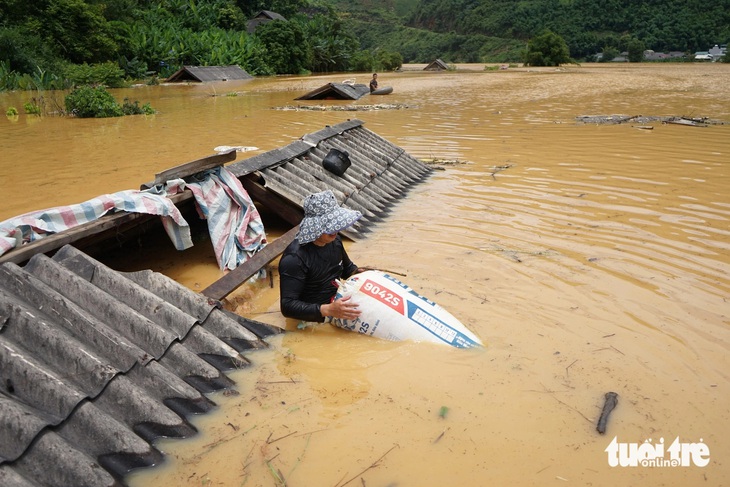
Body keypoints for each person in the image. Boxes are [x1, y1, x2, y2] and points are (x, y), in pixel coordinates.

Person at [279, 190, 364, 323]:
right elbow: (287, 306)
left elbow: (348, 270)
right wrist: (328, 310)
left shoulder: (335, 241)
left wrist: (362, 274)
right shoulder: (294, 259)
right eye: (330, 225)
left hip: (337, 304)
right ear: (315, 227)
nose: (335, 230)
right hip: (312, 317)